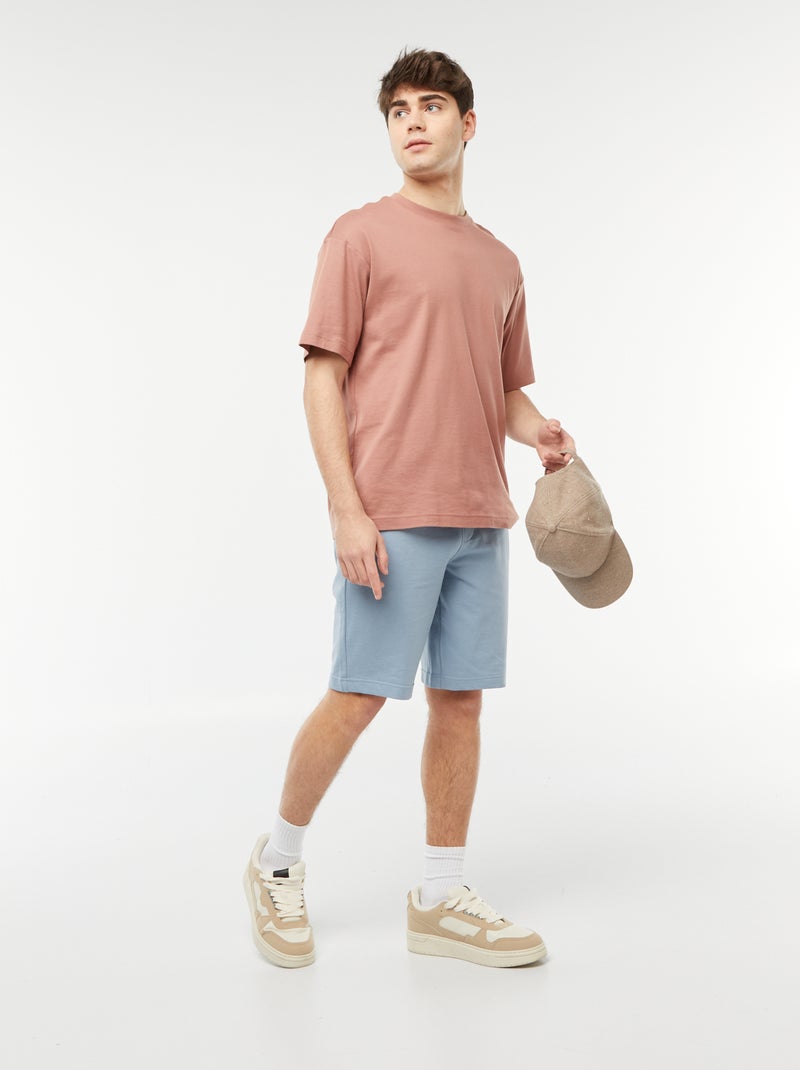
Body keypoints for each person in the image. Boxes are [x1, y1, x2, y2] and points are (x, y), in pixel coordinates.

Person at [243, 47, 575, 970]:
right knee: (358, 695)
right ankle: (275, 863)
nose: (413, 122)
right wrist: (346, 510)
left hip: (481, 516)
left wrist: (539, 432)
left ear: (468, 124)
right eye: (398, 110)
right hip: (390, 512)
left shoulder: (501, 260)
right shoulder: (359, 236)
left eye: (431, 106)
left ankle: (438, 897)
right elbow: (322, 376)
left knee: (459, 703)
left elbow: (501, 389)